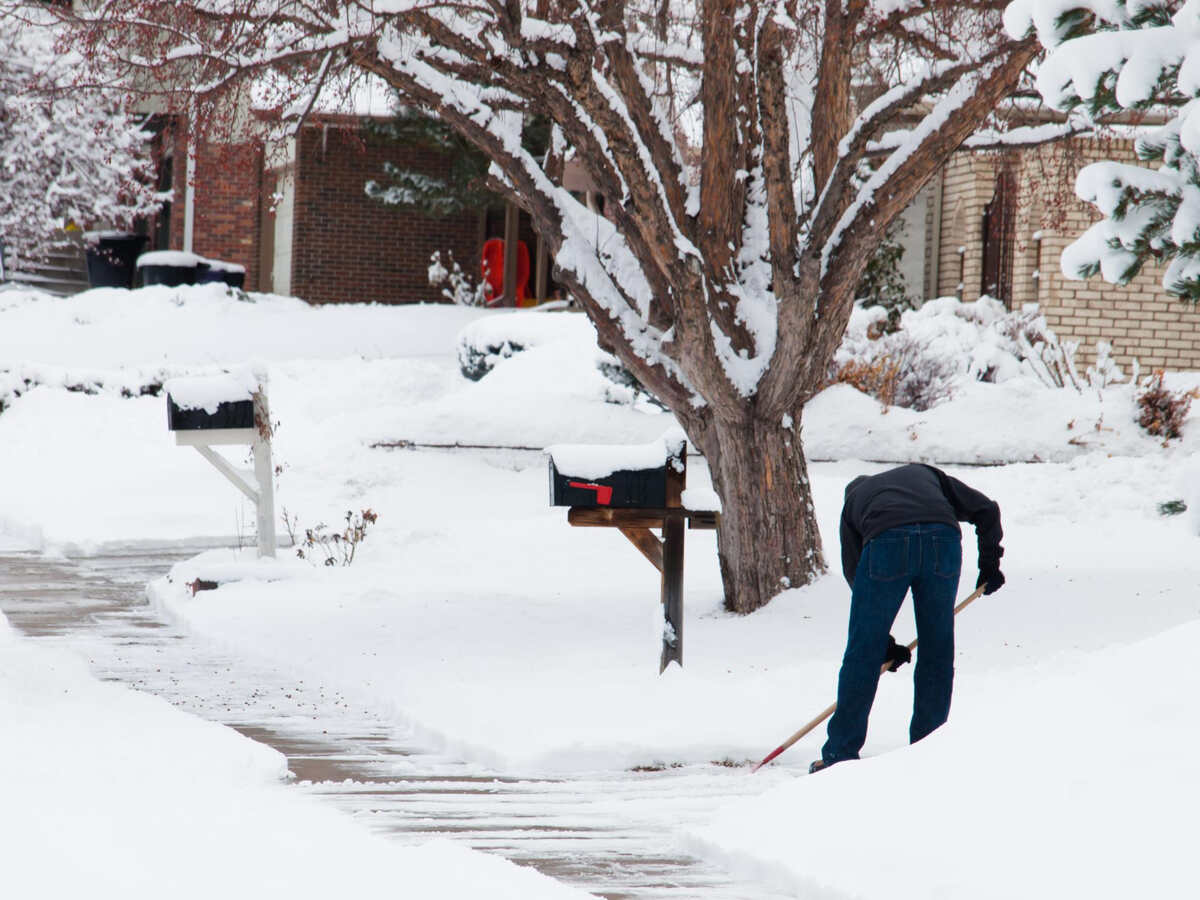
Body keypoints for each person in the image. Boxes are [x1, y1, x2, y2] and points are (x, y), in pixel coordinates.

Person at [811, 463, 1004, 774]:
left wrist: (880, 645)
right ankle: (927, 751)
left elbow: (858, 584)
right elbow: (987, 510)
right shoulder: (925, 474)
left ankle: (840, 754)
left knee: (863, 653)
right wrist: (990, 564)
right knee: (937, 650)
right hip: (942, 540)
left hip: (887, 543)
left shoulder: (854, 504)